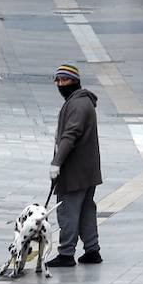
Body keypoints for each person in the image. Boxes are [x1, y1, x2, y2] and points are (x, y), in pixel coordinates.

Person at [46, 63, 102, 267]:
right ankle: (92, 250)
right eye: (58, 80)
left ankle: (66, 253)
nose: (61, 84)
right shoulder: (82, 101)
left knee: (67, 210)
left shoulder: (77, 105)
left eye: (65, 80)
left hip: (75, 171)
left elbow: (70, 135)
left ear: (75, 81)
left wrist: (56, 162)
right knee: (87, 209)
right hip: (88, 170)